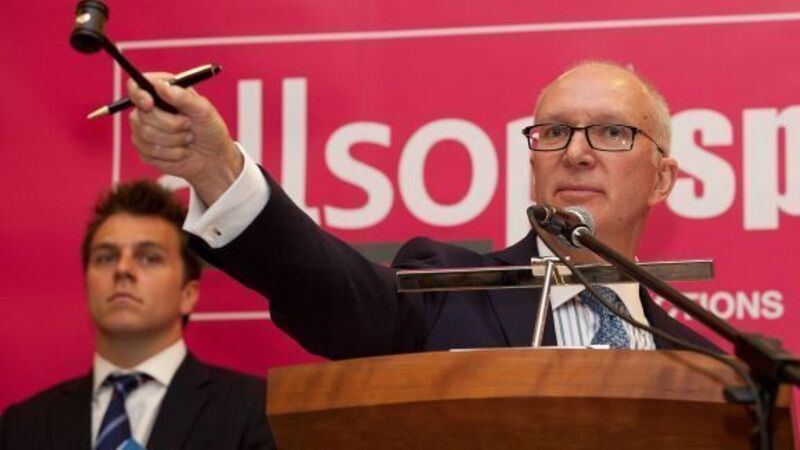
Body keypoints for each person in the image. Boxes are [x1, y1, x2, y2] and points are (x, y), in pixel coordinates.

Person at [122, 61, 718, 360]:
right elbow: (326, 288)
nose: (577, 153)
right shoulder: (449, 292)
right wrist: (218, 170)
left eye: (612, 132)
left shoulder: (711, 368)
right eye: (555, 132)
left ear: (662, 179)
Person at [0, 180, 275, 449]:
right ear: (86, 284)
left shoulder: (253, 410)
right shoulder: (21, 426)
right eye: (106, 257)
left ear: (188, 294)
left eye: (149, 258)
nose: (122, 269)